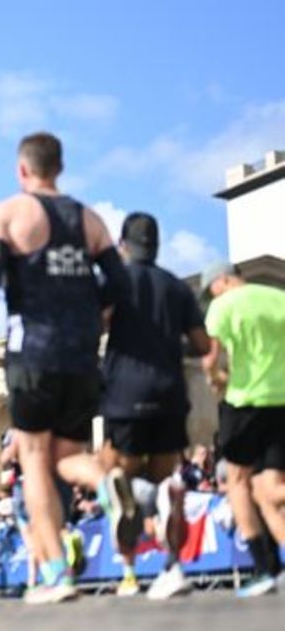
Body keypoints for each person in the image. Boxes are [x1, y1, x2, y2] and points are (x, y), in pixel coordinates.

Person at [0, 132, 135, 604]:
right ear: (59, 168)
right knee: (67, 458)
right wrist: (95, 311)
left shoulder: (7, 213)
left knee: (35, 461)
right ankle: (107, 481)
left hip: (34, 350)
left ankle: (56, 574)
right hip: (84, 351)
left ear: (23, 170)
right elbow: (120, 283)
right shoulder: (91, 219)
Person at [97, 213, 211, 599]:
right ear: (157, 245)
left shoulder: (116, 282)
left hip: (125, 394)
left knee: (117, 479)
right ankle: (172, 567)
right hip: (169, 394)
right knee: (165, 480)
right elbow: (201, 345)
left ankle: (128, 573)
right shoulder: (177, 288)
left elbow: (96, 324)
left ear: (122, 245)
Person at [199, 260, 285, 597]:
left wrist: (216, 380)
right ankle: (277, 570)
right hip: (283, 401)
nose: (212, 295)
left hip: (246, 400)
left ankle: (262, 569)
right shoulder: (277, 296)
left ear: (221, 281)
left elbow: (210, 358)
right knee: (268, 490)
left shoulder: (222, 305)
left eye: (212, 289)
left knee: (236, 481)